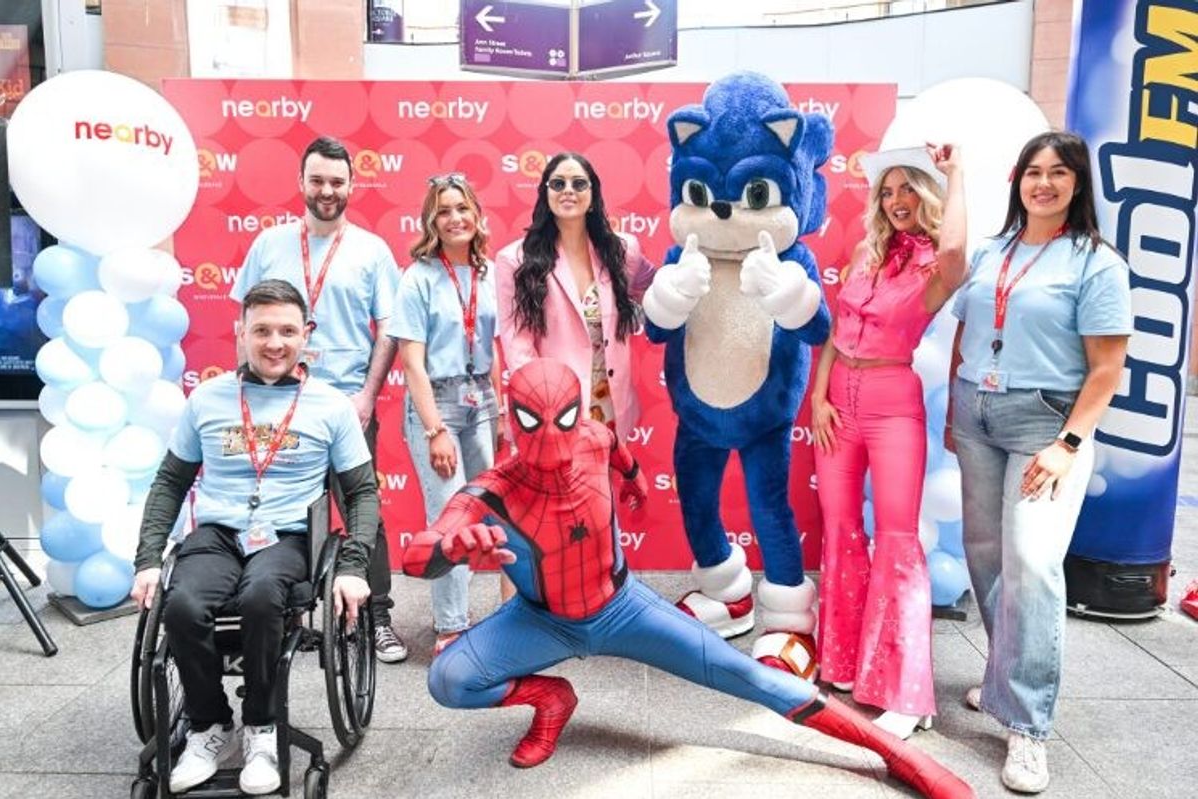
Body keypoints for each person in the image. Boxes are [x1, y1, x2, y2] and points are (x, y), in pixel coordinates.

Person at [401, 358, 973, 799]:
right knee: (449, 682)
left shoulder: (595, 440)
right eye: (533, 423)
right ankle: (552, 699)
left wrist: (633, 483)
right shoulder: (493, 488)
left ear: (578, 414)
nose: (551, 441)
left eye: (563, 421)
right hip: (541, 619)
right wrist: (449, 548)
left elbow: (619, 455)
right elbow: (420, 554)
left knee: (752, 678)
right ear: (511, 418)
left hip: (621, 608)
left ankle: (898, 755)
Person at [130, 280, 378, 795]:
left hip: (287, 537)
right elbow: (170, 482)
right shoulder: (206, 399)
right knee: (181, 604)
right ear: (241, 332)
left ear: (306, 334)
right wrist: (148, 558)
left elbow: (361, 495)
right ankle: (209, 725)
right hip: (218, 533)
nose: (274, 343)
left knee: (263, 599)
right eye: (261, 330)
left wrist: (353, 568)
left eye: (288, 331)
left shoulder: (331, 407)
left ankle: (262, 728)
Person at [947, 131, 1130, 793]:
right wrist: (951, 410)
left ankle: (1027, 725)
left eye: (1058, 173)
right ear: (1017, 181)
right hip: (975, 411)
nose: (1042, 183)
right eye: (1032, 171)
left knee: (1033, 560)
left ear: (1078, 184)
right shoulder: (995, 250)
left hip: (1045, 421)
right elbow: (968, 328)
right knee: (987, 552)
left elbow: (1108, 368)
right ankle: (1003, 679)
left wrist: (1067, 444)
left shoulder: (1096, 263)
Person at [229, 136, 406, 664]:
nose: (327, 191)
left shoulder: (371, 249)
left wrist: (368, 397)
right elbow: (245, 319)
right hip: (278, 399)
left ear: (352, 185)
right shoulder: (269, 244)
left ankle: (376, 618)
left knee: (361, 509)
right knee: (276, 503)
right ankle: (276, 614)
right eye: (317, 180)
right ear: (301, 183)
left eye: (337, 181)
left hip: (347, 400)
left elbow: (391, 329)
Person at [810, 144, 966, 739]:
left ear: (925, 197)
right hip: (837, 402)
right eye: (888, 190)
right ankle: (845, 664)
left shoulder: (934, 267)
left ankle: (905, 691)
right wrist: (820, 395)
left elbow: (954, 250)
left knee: (897, 539)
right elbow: (835, 332)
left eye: (908, 190)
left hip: (891, 403)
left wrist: (957, 175)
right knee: (842, 529)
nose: (897, 200)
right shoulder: (865, 254)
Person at [390, 173, 503, 656]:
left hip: (483, 403)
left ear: (476, 214)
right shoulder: (418, 277)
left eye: (462, 208)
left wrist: (501, 414)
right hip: (438, 407)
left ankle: (502, 620)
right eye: (444, 211)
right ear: (431, 221)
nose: (455, 218)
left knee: (493, 516)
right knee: (449, 520)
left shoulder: (490, 272)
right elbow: (411, 361)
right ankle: (451, 627)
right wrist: (435, 429)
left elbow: (495, 346)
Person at [494, 151, 655, 440]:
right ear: (545, 194)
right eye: (558, 184)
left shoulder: (623, 250)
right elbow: (518, 345)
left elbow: (652, 289)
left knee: (608, 486)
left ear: (593, 194)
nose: (568, 190)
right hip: (554, 411)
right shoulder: (515, 260)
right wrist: (545, 405)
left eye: (579, 183)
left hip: (612, 408)